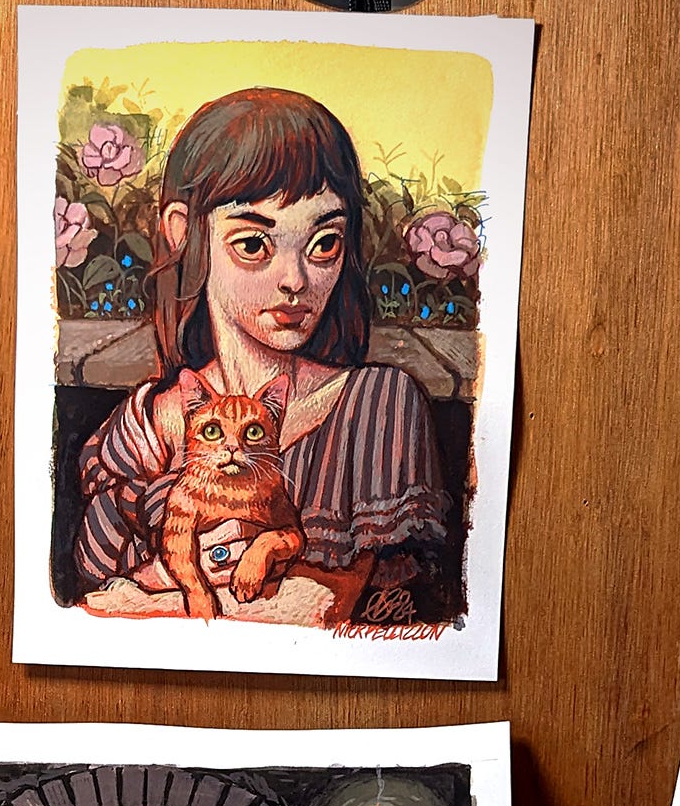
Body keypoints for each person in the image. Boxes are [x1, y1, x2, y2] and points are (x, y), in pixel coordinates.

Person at [71, 88, 452, 628]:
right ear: (184, 232)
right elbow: (85, 614)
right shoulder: (143, 425)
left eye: (324, 243)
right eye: (254, 245)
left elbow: (342, 613)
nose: (296, 280)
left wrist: (154, 598)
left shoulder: (378, 405)